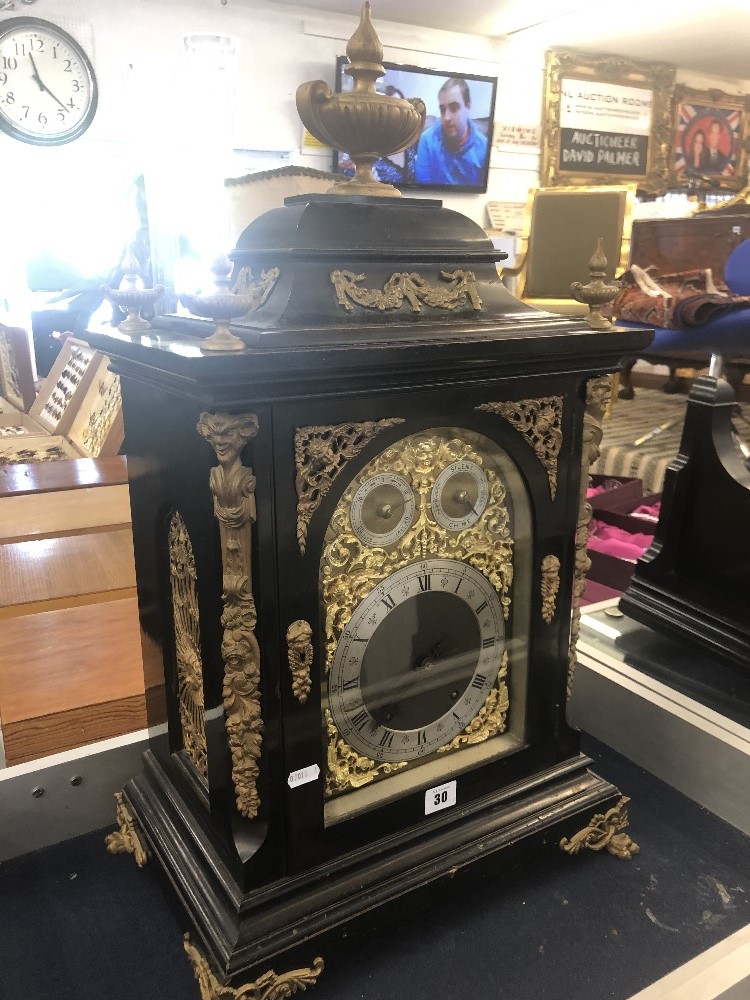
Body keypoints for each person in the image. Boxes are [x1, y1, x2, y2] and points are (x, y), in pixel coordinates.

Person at [415, 77, 488, 185]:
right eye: (443, 109)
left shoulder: (484, 146)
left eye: (454, 108)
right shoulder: (427, 140)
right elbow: (422, 188)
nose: (447, 117)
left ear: (468, 106)